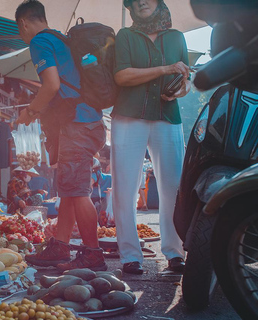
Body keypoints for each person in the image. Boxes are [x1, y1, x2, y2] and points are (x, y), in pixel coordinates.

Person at [15, 0, 107, 271]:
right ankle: (61, 246)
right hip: (91, 122)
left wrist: (30, 112)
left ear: (24, 23)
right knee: (68, 188)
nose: (22, 35)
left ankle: (93, 254)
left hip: (76, 125)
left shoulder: (40, 42)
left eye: (20, 30)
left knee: (78, 191)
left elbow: (52, 84)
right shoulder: (62, 40)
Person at [111, 0, 191, 274]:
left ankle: (175, 252)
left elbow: (186, 80)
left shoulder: (176, 37)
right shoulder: (125, 35)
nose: (141, 1)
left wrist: (178, 90)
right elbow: (122, 76)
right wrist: (165, 70)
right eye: (134, 0)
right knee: (125, 188)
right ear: (130, 7)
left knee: (173, 188)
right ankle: (130, 256)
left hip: (167, 117)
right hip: (128, 117)